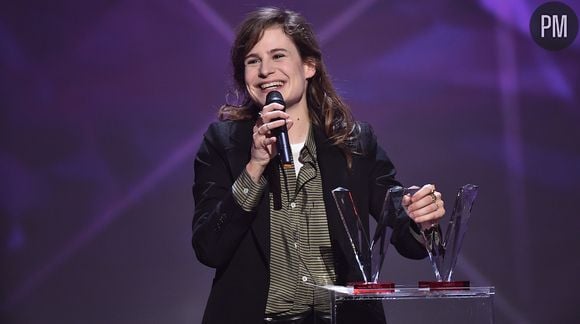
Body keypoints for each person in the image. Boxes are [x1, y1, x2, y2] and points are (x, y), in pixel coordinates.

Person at [192, 7, 445, 324]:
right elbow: (209, 248)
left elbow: (401, 224)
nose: (265, 70)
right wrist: (254, 166)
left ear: (309, 65)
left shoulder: (353, 141)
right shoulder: (223, 143)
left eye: (278, 56)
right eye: (252, 61)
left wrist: (422, 220)